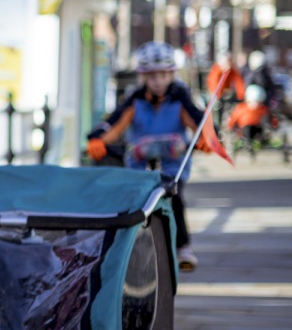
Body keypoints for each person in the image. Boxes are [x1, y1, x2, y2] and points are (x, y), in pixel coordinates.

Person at [86, 41, 205, 271]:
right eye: (152, 76)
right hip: (139, 163)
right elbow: (113, 123)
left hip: (173, 164)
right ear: (143, 77)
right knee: (132, 201)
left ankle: (183, 247)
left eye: (163, 75)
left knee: (174, 198)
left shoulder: (180, 97)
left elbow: (198, 121)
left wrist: (207, 138)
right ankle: (125, 247)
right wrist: (97, 138)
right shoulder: (135, 99)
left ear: (172, 74)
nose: (158, 81)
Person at [206, 53, 245, 129]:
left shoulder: (232, 70)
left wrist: (241, 95)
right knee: (217, 107)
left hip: (226, 92)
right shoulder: (216, 70)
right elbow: (213, 84)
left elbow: (238, 81)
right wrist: (218, 96)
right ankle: (217, 125)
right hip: (216, 94)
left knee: (235, 103)